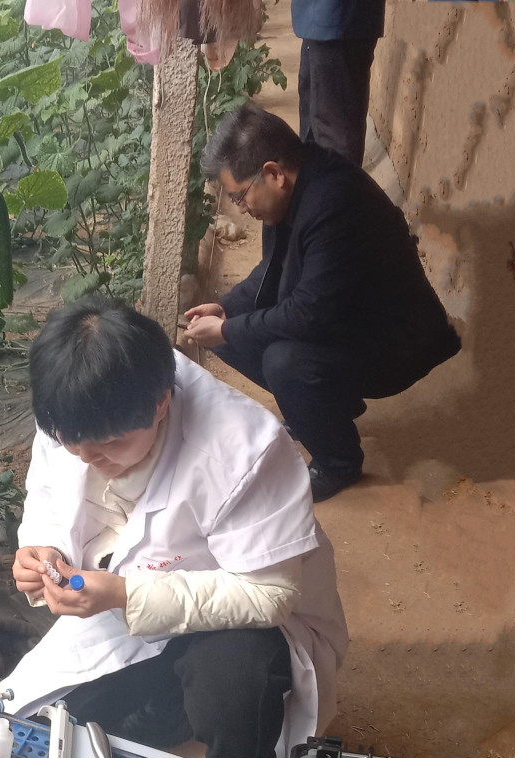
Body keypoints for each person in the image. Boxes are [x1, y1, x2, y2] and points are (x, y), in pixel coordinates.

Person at [3, 295, 348, 758]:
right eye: (72, 443)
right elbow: (49, 491)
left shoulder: (245, 449)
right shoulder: (74, 408)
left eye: (108, 446)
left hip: (237, 611)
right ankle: (168, 708)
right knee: (56, 714)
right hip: (126, 593)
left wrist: (126, 593)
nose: (88, 460)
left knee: (232, 675)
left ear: (161, 403)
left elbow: (267, 595)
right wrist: (42, 549)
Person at [185, 103, 461, 502]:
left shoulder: (335, 203)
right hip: (350, 320)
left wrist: (228, 327)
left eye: (240, 197)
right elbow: (271, 270)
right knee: (227, 333)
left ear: (273, 173)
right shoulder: (294, 190)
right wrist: (225, 309)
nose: (242, 209)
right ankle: (320, 409)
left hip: (400, 344)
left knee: (282, 361)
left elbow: (307, 315)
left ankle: (338, 462)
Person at [292, 0, 386, 167]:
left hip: (337, 16)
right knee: (314, 126)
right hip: (322, 18)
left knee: (334, 133)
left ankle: (338, 182)